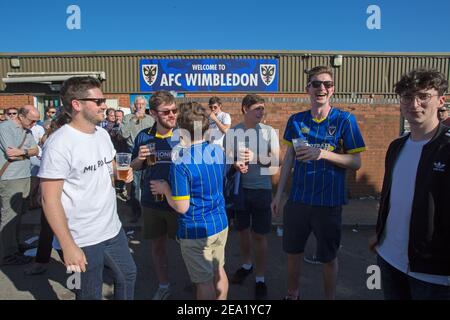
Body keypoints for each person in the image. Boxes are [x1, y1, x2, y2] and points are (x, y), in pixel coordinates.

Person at [271, 66, 366, 300]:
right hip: (299, 200)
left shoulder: (345, 120)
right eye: (316, 84)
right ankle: (293, 294)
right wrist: (278, 194)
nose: (321, 88)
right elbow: (290, 158)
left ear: (332, 90)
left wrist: (322, 154)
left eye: (327, 84)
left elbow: (355, 162)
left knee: (328, 257)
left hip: (329, 203)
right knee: (293, 253)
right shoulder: (296, 120)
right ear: (308, 89)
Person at [38, 76, 137, 300]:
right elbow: (49, 199)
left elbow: (110, 166)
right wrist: (67, 244)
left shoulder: (101, 134)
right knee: (87, 293)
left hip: (112, 229)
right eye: (99, 101)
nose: (105, 105)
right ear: (77, 104)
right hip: (79, 237)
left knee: (127, 275)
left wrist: (122, 171)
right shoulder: (59, 144)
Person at [369, 69, 450, 300]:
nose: (414, 104)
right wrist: (380, 232)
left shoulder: (447, 148)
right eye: (407, 97)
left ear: (441, 100)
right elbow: (389, 197)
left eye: (423, 96)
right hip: (388, 259)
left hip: (433, 273)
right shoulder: (396, 147)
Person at [151, 102, 229, 300]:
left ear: (180, 128)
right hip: (220, 223)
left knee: (203, 282)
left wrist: (165, 189)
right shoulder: (218, 151)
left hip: (195, 229)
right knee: (219, 271)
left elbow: (181, 206)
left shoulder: (181, 163)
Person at [225, 94, 279, 300]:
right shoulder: (233, 132)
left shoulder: (269, 132)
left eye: (262, 109)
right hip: (240, 191)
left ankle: (260, 277)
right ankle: (247, 264)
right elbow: (227, 160)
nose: (261, 112)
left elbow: (275, 163)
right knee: (243, 231)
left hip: (261, 190)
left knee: (260, 235)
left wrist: (255, 157)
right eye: (257, 108)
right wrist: (234, 163)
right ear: (244, 109)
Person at [130, 91, 179, 300]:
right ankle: (164, 285)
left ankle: (200, 284)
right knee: (158, 246)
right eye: (166, 112)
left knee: (188, 247)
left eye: (174, 110)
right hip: (152, 201)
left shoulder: (185, 135)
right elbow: (132, 167)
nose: (172, 115)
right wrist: (139, 159)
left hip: (180, 202)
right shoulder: (144, 136)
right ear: (153, 113)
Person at [0, 105, 40, 265]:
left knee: (19, 214)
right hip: (10, 178)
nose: (33, 125)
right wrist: (26, 151)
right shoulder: (5, 128)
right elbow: (11, 153)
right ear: (21, 116)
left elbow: (36, 150)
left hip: (24, 176)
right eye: (31, 121)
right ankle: (8, 253)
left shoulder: (28, 131)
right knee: (9, 216)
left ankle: (14, 245)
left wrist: (22, 152)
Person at [120, 97, 155, 222]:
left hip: (149, 155)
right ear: (134, 105)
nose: (140, 106)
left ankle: (148, 211)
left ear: (145, 106)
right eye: (137, 104)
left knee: (148, 184)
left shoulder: (150, 120)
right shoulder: (127, 118)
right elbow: (123, 134)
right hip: (134, 155)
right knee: (135, 186)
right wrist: (134, 118)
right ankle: (136, 213)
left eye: (142, 104)